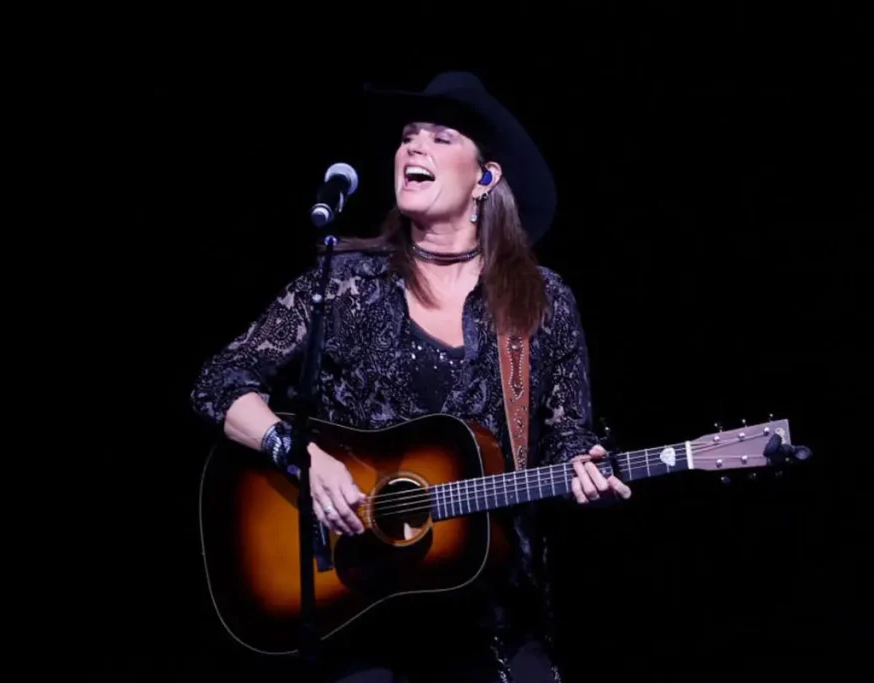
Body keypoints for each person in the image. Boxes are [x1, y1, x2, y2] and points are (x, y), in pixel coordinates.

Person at [189, 71, 631, 682]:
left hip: (491, 611)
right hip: (358, 607)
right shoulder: (344, 283)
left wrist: (588, 468)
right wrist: (303, 457)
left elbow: (566, 438)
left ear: (486, 178)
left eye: (440, 138)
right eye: (407, 137)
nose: (413, 149)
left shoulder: (539, 299)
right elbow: (220, 381)